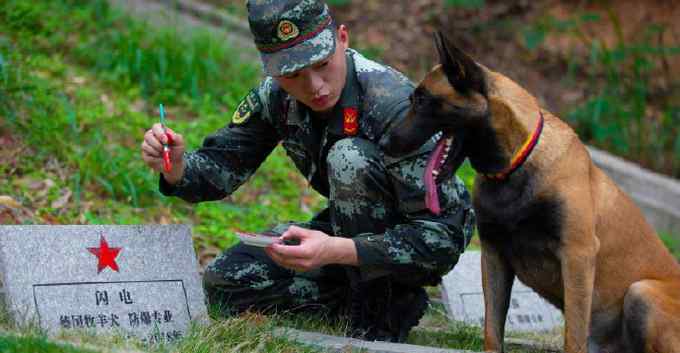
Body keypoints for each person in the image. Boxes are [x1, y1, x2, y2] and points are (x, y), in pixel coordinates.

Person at [140, 0, 475, 342]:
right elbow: (222, 169)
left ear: (342, 38)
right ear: (270, 70)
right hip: (345, 231)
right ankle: (380, 302)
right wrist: (177, 166)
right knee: (228, 282)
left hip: (414, 240)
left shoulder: (393, 104)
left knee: (349, 157)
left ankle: (379, 314)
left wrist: (335, 250)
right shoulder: (275, 97)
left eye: (322, 65)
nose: (314, 86)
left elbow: (441, 239)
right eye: (293, 74)